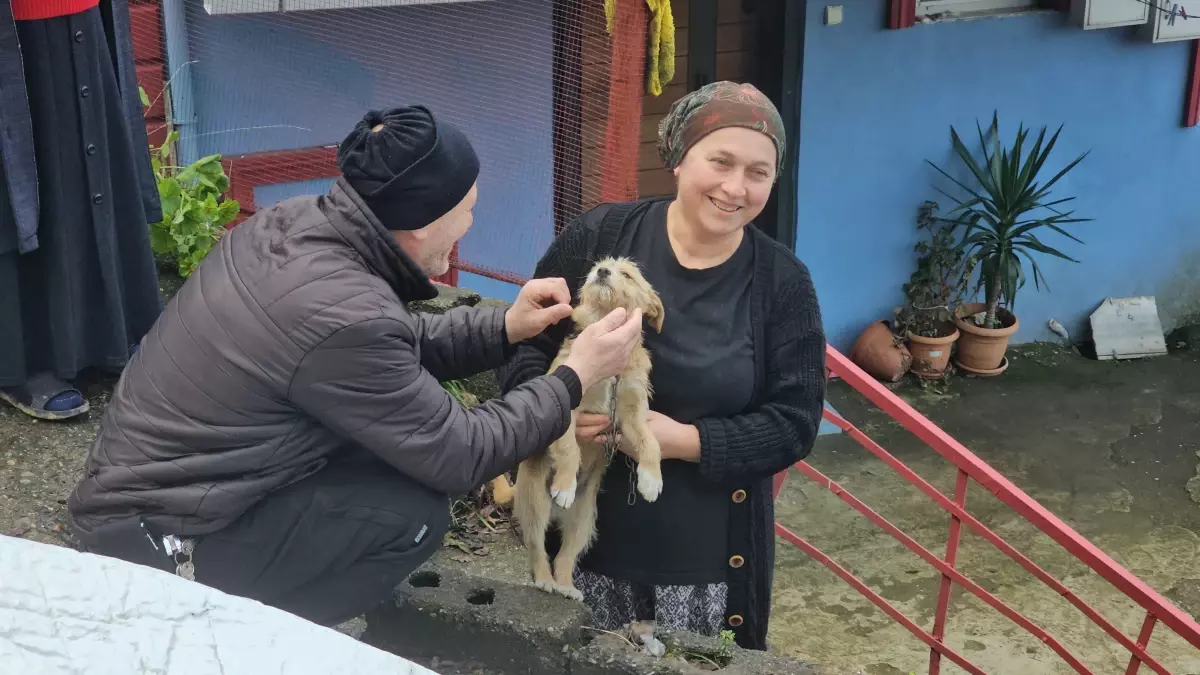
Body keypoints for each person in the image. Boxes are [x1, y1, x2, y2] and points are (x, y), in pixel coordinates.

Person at [66, 106, 645, 627]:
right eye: (467, 210)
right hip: (162, 542)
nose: (470, 224)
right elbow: (461, 453)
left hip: (150, 493)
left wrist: (505, 327)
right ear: (422, 219)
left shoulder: (295, 223)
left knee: (388, 455)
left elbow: (385, 345)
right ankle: (254, 638)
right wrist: (575, 378)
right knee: (413, 515)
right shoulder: (345, 313)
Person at [497, 81, 827, 650]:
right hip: (588, 556)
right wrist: (549, 410)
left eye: (758, 172)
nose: (735, 187)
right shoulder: (600, 237)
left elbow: (795, 424)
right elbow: (524, 344)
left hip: (707, 571)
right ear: (678, 159)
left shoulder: (784, 283)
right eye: (719, 161)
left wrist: (685, 441)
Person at [0, 0, 163, 420]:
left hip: (81, 16)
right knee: (18, 184)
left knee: (90, 171)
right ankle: (27, 362)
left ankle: (110, 334)